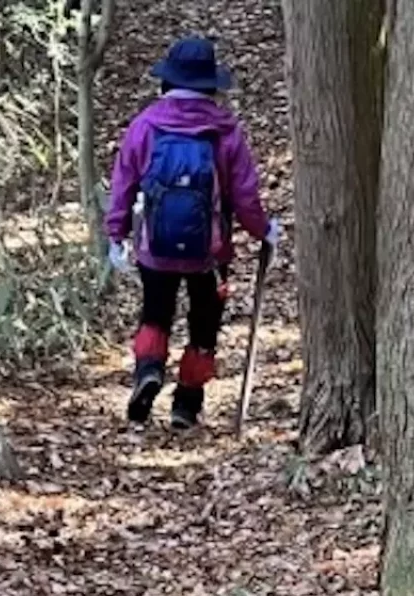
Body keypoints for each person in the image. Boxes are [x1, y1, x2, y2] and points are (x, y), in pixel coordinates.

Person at [105, 35, 281, 429]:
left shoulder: (145, 126)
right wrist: (263, 230)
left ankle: (149, 371)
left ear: (168, 80)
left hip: (155, 248)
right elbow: (245, 194)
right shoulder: (225, 131)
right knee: (204, 325)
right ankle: (186, 404)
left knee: (155, 313)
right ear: (210, 85)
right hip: (210, 253)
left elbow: (123, 184)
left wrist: (115, 234)